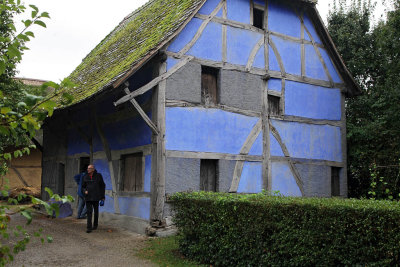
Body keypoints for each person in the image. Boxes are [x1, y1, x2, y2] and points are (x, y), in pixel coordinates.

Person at [81, 164, 105, 233]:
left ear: (93, 169)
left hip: (96, 197)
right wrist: (84, 191)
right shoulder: (85, 176)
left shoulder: (98, 176)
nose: (88, 169)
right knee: (89, 212)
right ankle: (89, 227)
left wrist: (102, 197)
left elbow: (102, 186)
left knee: (96, 212)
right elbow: (82, 187)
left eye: (90, 168)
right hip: (88, 197)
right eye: (88, 168)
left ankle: (95, 225)